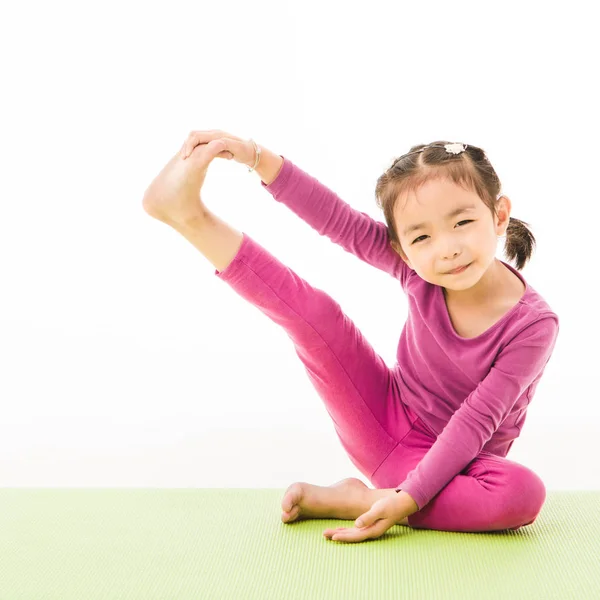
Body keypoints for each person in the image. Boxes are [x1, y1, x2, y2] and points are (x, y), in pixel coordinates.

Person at [142, 132, 559, 541]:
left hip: (457, 468)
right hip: (379, 422)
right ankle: (189, 216)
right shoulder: (417, 271)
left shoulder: (534, 325)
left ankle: (361, 499)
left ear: (499, 215)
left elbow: (475, 421)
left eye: (463, 222)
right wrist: (255, 156)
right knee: (317, 314)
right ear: (401, 249)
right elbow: (336, 220)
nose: (447, 248)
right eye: (422, 237)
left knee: (524, 493)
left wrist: (406, 499)